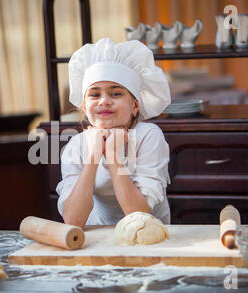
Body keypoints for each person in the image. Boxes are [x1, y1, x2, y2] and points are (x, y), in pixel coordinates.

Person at [56, 38, 171, 228]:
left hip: (150, 238)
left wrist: (112, 155)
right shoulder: (76, 145)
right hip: (98, 239)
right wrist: (93, 156)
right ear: (85, 107)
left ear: (135, 105)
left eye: (116, 94)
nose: (104, 101)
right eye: (95, 94)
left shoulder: (148, 135)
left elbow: (138, 216)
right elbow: (73, 221)